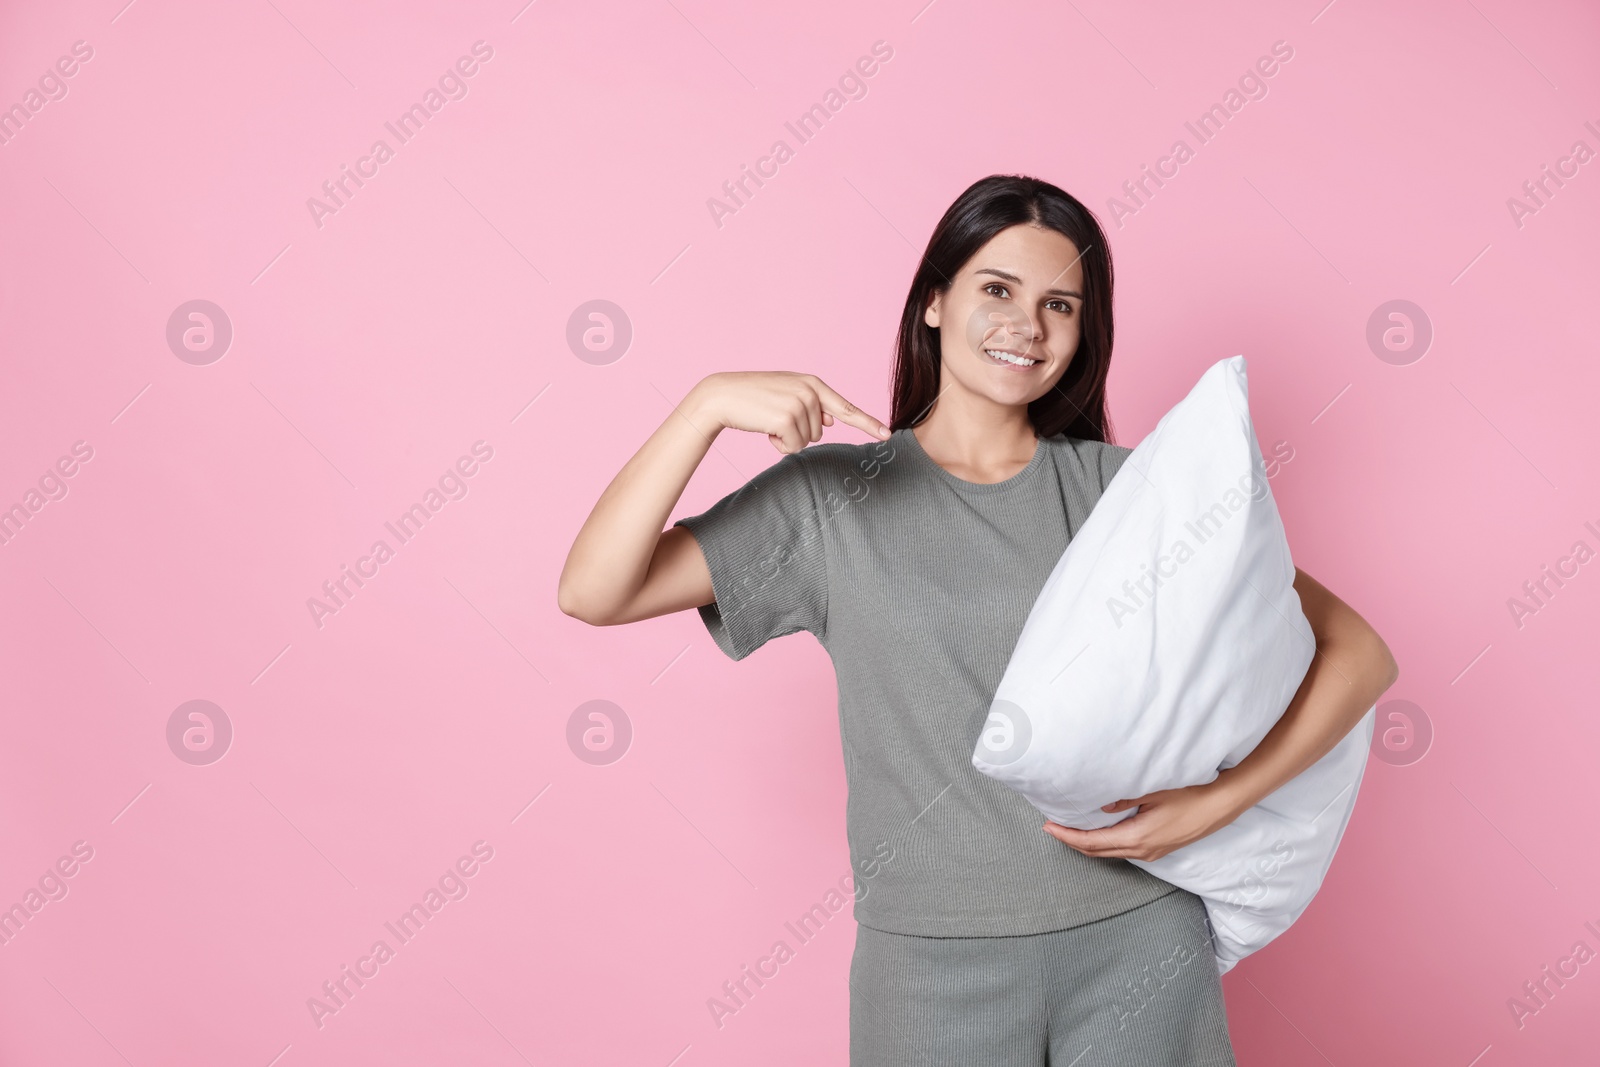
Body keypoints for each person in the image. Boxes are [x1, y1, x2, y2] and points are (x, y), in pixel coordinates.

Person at [558, 174, 1398, 1066]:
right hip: (925, 962)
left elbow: (1360, 653)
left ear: (1083, 332)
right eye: (997, 288)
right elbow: (594, 591)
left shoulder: (1126, 494)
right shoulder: (831, 500)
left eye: (1059, 304)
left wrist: (1214, 806)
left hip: (1138, 942)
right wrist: (706, 406)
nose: (1026, 325)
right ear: (934, 301)